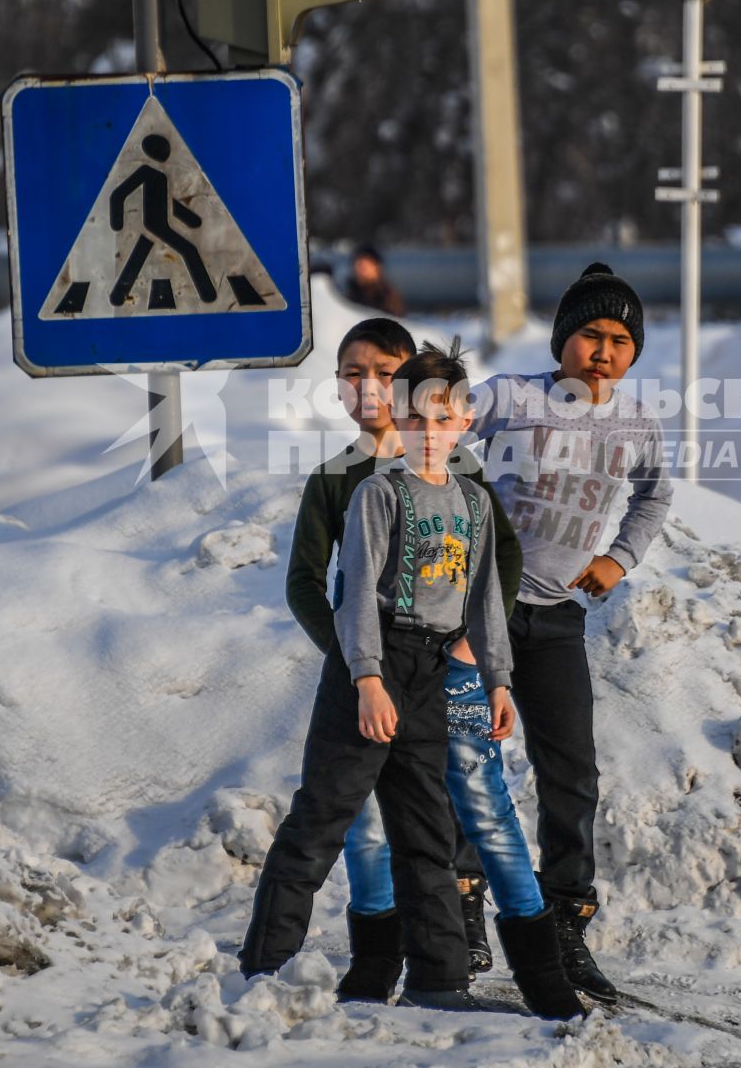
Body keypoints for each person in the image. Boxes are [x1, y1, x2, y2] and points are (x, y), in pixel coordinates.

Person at [241, 344, 518, 1013]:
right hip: (371, 663)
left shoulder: (473, 502)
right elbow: (356, 591)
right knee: (325, 816)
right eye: (416, 418)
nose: (429, 430)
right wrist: (365, 678)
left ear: (463, 421)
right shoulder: (375, 492)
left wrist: (498, 678)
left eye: (444, 416)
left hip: (430, 670)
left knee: (427, 827)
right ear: (399, 419)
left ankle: (438, 979)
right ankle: (262, 970)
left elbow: (482, 596)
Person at [465, 262, 675, 1005]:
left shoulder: (636, 425)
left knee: (571, 773)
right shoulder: (511, 397)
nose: (604, 351)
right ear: (563, 340)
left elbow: (655, 496)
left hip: (556, 619)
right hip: (475, 611)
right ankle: (461, 910)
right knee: (469, 757)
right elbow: (437, 438)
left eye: (620, 340)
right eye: (591, 334)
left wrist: (619, 559)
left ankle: (564, 922)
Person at [343, 244, 406, 316]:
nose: (361, 271)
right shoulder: (348, 297)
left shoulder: (389, 299)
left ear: (377, 268)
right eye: (358, 266)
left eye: (365, 267)